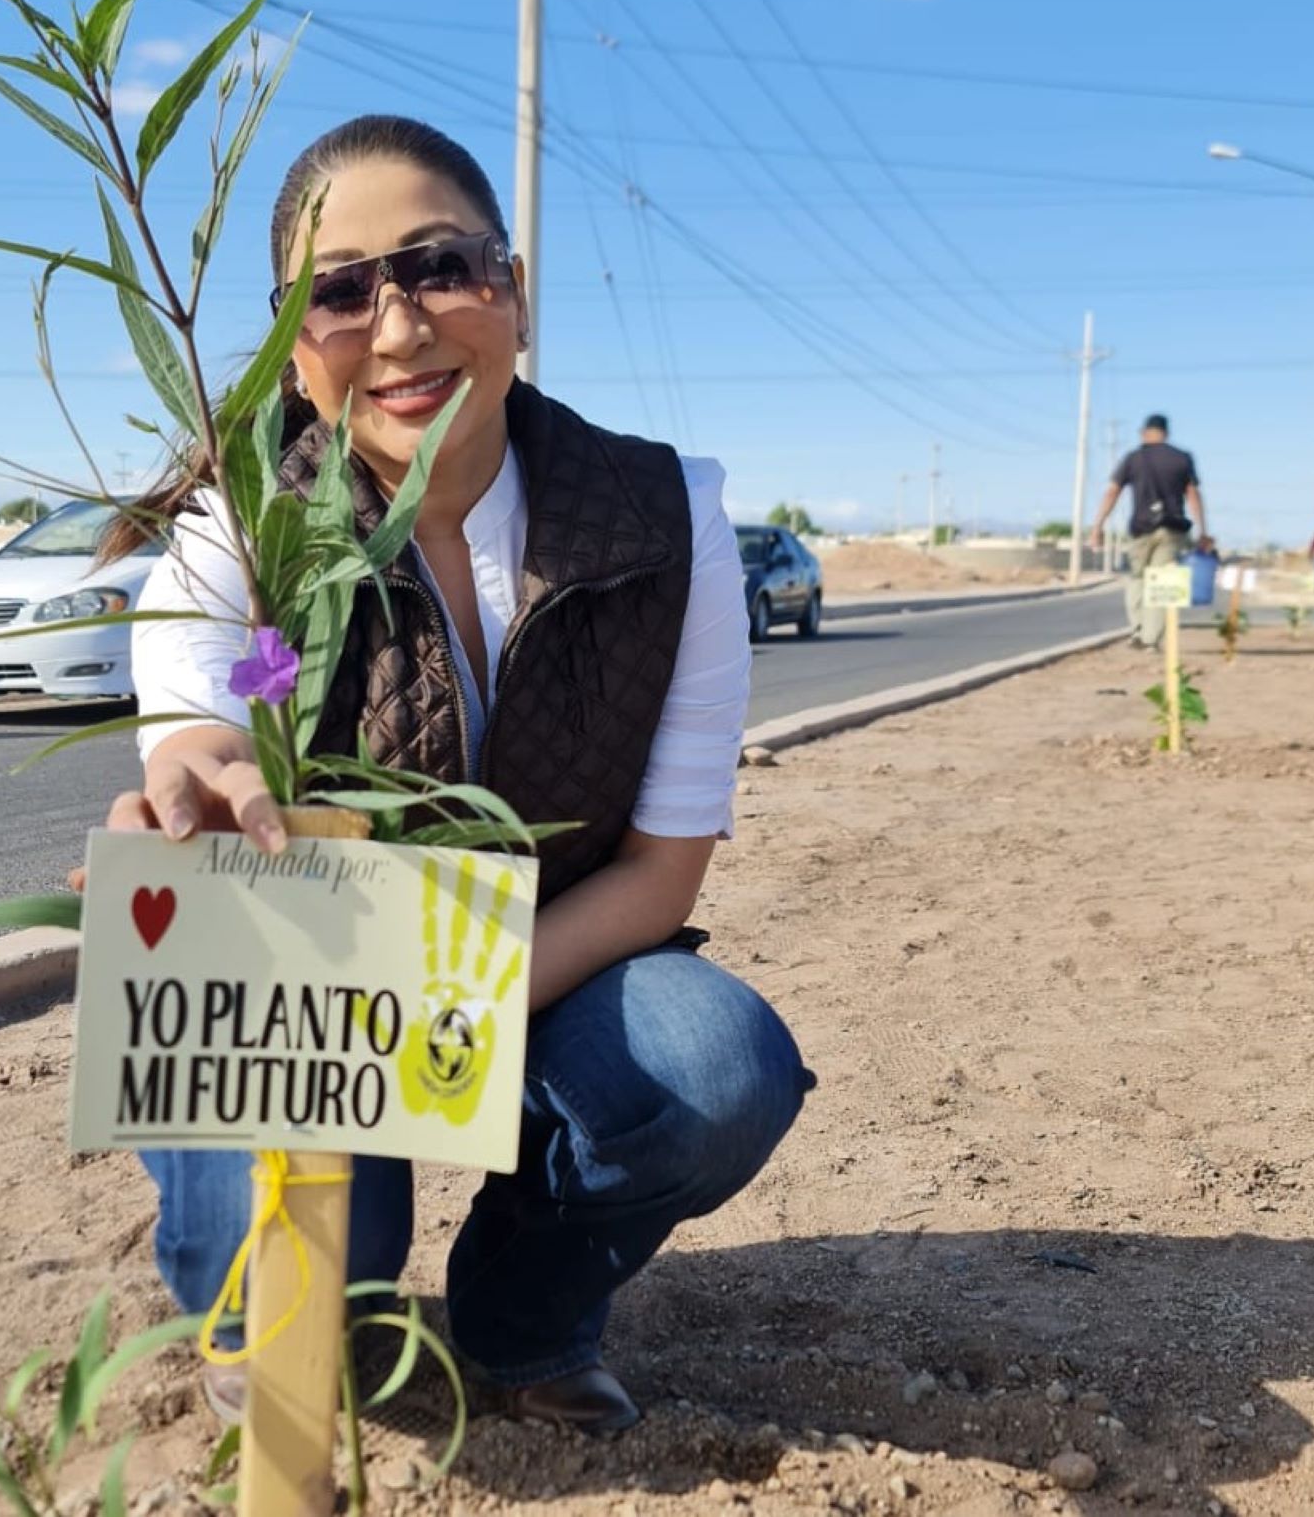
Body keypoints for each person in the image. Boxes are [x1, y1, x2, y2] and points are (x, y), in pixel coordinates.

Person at [92, 116, 812, 1436]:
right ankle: (285, 1313)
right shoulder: (247, 547)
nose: (402, 327)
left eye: (439, 268)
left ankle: (521, 1322)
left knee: (720, 1063)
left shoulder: (667, 528)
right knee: (294, 1309)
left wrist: (442, 1006)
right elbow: (229, 703)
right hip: (321, 994)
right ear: (289, 344)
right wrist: (202, 772)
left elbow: (660, 874)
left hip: (558, 965)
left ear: (516, 292)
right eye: (342, 290)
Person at [1090, 413, 1206, 648]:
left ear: (1145, 432)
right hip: (1173, 530)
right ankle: (1151, 640)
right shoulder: (1182, 458)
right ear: (1166, 433)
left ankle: (1138, 631)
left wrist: (1098, 526)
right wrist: (1203, 530)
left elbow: (1112, 491)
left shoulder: (1134, 458)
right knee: (1162, 583)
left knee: (1136, 580)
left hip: (1141, 529)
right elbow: (1193, 494)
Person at [1186, 533, 1222, 609]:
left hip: (1195, 597)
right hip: (1202, 597)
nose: (1212, 547)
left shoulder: (1190, 557)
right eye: (1211, 545)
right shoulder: (1206, 558)